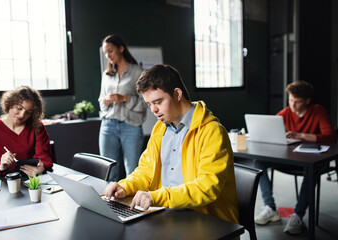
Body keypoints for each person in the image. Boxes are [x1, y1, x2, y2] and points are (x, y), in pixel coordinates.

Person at [104, 64, 238, 224]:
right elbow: (146, 171)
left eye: (158, 101)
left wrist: (157, 197)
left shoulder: (212, 131)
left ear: (177, 94)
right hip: (167, 214)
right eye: (149, 104)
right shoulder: (160, 129)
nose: (153, 110)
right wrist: (125, 186)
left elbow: (207, 187)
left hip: (207, 221)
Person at [254, 81, 337, 234]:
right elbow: (270, 126)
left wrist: (301, 135)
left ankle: (298, 216)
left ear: (307, 101)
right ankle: (270, 207)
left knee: (311, 170)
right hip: (292, 159)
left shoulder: (318, 111)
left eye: (297, 102)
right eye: (290, 100)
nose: (292, 105)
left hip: (314, 161)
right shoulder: (286, 112)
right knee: (258, 161)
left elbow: (331, 137)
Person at [98, 34, 146, 182]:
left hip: (131, 127)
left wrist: (124, 99)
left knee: (132, 170)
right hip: (108, 125)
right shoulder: (107, 75)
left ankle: (131, 205)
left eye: (110, 51)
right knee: (108, 170)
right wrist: (106, 102)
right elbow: (100, 99)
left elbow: (146, 102)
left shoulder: (138, 72)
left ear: (121, 48)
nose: (108, 56)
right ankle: (109, 204)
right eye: (105, 53)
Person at [0, 86, 53, 177]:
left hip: (31, 181)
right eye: (19, 108)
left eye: (28, 112)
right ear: (10, 104)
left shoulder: (37, 127)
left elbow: (45, 157)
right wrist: (0, 167)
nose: (22, 115)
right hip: (3, 183)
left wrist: (41, 167)